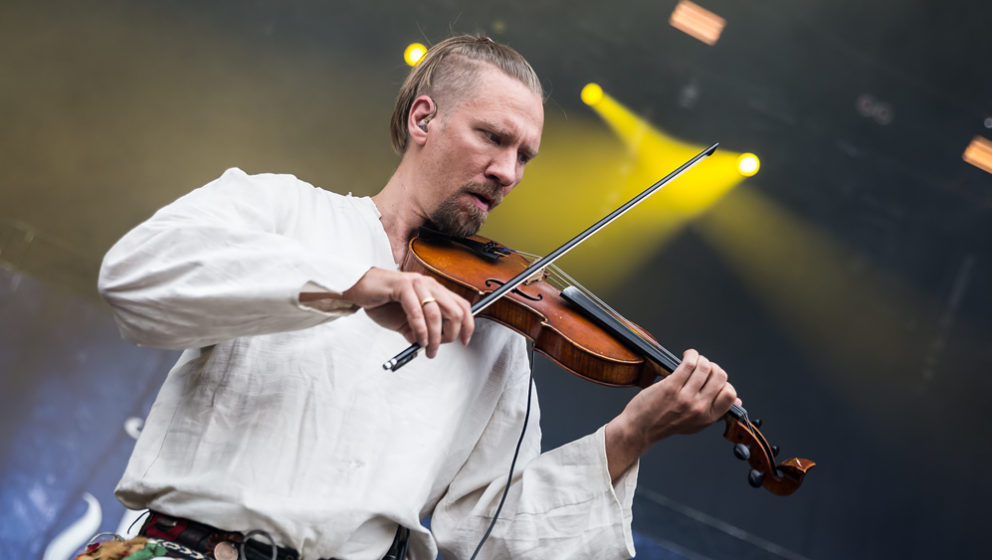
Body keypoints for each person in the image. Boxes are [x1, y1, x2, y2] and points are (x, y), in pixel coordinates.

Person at [98, 35, 738, 560]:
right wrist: (361, 283)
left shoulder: (496, 327)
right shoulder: (280, 207)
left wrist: (632, 433)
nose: (509, 172)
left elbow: (489, 535)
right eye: (494, 137)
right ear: (423, 117)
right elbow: (136, 276)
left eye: (525, 156)